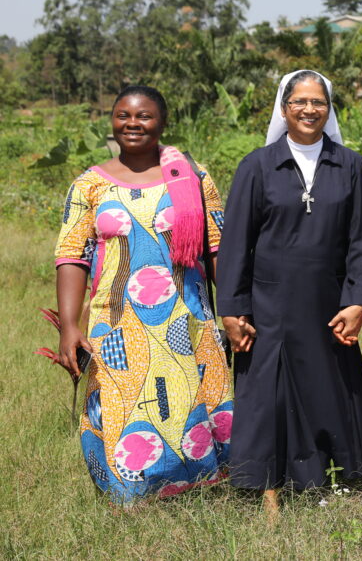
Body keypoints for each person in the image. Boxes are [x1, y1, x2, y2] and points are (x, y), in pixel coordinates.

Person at [54, 85, 232, 505]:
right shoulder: (89, 185)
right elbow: (71, 256)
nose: (132, 123)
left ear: (163, 122)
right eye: (123, 115)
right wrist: (69, 325)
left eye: (144, 116)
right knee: (121, 402)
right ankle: (126, 493)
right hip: (116, 320)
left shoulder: (192, 177)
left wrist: (235, 311)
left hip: (185, 315)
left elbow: (218, 246)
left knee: (193, 398)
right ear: (112, 120)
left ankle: (201, 488)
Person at [216, 70, 362, 513]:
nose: (309, 110)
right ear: (283, 108)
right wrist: (232, 309)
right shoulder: (257, 165)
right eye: (300, 102)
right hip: (269, 307)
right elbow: (236, 246)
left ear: (329, 109)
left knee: (329, 390)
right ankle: (269, 490)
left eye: (319, 102)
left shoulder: (349, 164)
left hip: (329, 305)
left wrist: (358, 301)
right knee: (270, 398)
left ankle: (326, 480)